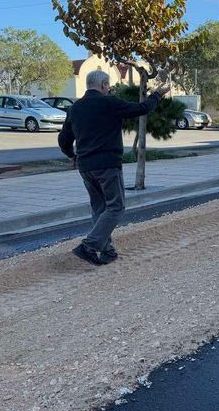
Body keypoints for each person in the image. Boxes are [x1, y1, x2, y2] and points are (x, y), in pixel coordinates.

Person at [58, 70, 165, 265]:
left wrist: (72, 155)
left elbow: (64, 139)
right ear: (103, 85)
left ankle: (107, 250)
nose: (108, 89)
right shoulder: (109, 103)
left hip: (85, 167)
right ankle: (89, 246)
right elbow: (142, 108)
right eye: (108, 86)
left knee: (99, 208)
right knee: (116, 207)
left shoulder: (75, 108)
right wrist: (157, 95)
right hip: (107, 165)